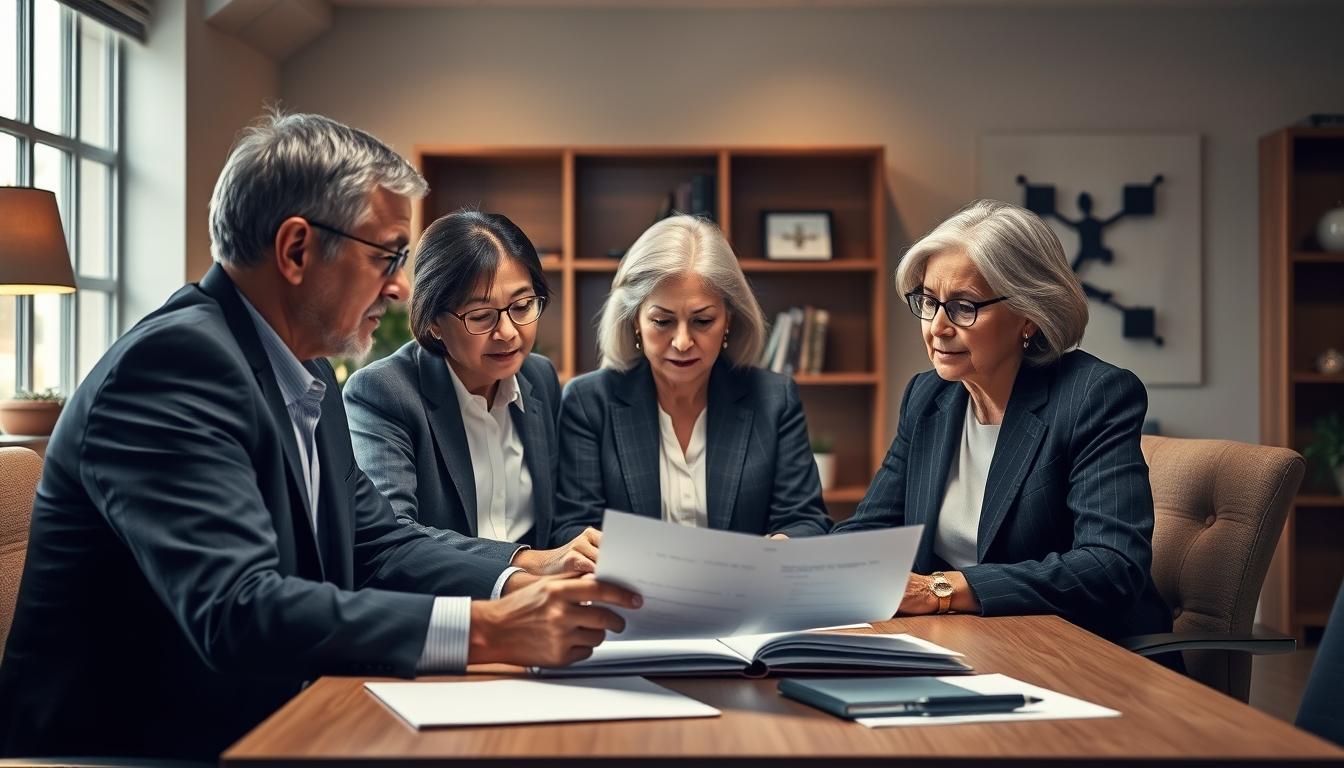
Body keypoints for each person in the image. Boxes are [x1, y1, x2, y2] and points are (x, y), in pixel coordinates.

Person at [0, 112, 639, 760]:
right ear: (296, 250)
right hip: (125, 752)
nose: (400, 286)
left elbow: (377, 543)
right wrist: (491, 628)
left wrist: (522, 582)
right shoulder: (171, 368)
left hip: (272, 720)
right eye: (386, 256)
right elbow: (238, 608)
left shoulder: (309, 375)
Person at [833, 199, 1170, 643]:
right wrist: (794, 566)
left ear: (1029, 315)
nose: (937, 327)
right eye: (929, 302)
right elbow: (873, 528)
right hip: (965, 639)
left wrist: (940, 590)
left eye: (964, 306)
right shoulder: (928, 396)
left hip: (1077, 648)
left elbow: (1111, 566)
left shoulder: (1094, 395)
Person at [345, 210, 599, 575]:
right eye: (481, 316)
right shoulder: (384, 392)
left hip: (545, 598)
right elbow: (392, 536)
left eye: (522, 306)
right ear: (434, 322)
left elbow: (556, 521)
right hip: (453, 602)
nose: (508, 332)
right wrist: (526, 563)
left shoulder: (539, 377)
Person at [551, 215, 831, 543]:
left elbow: (806, 520)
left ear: (729, 319)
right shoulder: (588, 402)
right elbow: (572, 529)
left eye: (702, 321)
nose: (682, 342)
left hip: (749, 578)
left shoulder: (774, 399)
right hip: (629, 578)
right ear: (635, 320)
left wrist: (782, 546)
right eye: (662, 321)